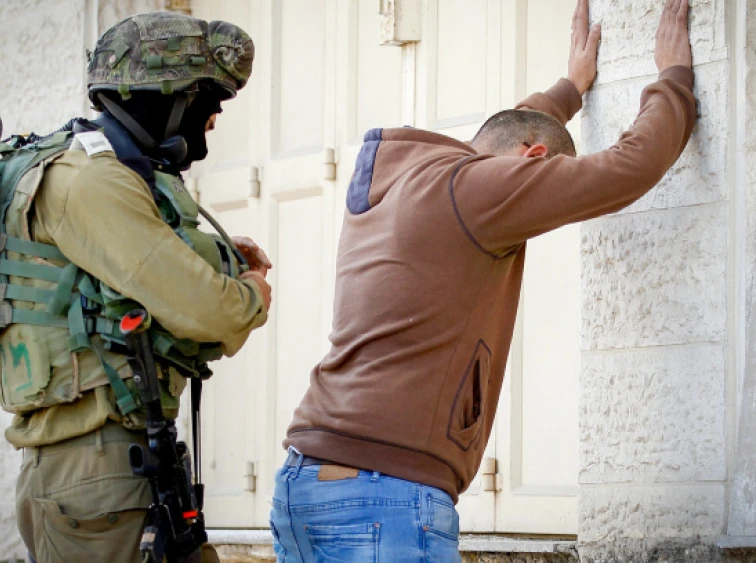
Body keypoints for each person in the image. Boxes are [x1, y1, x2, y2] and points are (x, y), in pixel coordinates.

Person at [269, 0, 696, 560]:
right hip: (384, 496)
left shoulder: (411, 178)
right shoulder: (476, 192)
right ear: (533, 161)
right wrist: (674, 77)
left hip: (304, 482)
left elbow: (508, 132)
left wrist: (568, 90)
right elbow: (628, 167)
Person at [0, 12, 271, 563]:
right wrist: (253, 291)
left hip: (126, 461)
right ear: (167, 97)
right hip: (93, 475)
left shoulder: (110, 173)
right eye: (205, 108)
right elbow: (213, 312)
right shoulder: (91, 179)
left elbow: (123, 272)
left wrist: (222, 254)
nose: (209, 129)